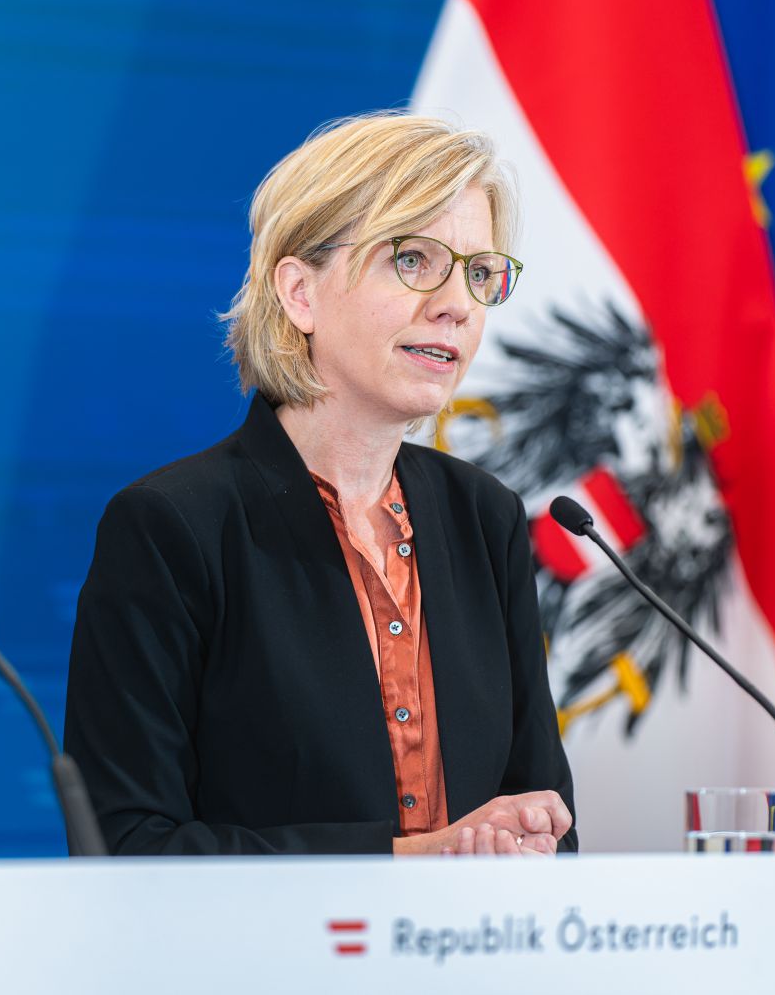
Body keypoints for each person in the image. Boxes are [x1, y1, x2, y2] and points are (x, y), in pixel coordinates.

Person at [64, 112, 575, 856]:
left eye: (477, 272)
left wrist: (532, 838)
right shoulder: (172, 527)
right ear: (300, 292)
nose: (458, 304)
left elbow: (542, 808)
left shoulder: (485, 518)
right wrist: (407, 862)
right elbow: (128, 845)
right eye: (414, 259)